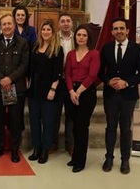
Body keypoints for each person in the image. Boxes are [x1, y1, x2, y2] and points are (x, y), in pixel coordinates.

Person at [99, 17, 140, 174]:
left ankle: (125, 160)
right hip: (110, 95)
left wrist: (126, 82)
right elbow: (100, 72)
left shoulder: (137, 49)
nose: (119, 31)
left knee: (126, 128)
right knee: (111, 127)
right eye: (115, 28)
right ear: (112, 31)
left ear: (127, 30)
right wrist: (108, 81)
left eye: (122, 28)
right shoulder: (106, 48)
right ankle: (109, 158)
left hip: (128, 95)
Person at [0, 14, 29, 163]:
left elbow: (24, 65)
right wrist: (2, 79)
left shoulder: (23, 43)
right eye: (4, 24)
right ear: (1, 26)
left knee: (15, 121)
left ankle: (14, 150)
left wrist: (10, 79)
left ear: (14, 25)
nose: (7, 27)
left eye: (9, 24)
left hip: (16, 87)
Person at [27, 20, 64, 164]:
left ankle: (45, 150)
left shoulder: (57, 49)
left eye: (49, 30)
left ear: (53, 32)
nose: (46, 32)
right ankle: (36, 148)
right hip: (34, 89)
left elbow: (58, 71)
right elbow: (30, 67)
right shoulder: (35, 46)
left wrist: (53, 88)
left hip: (49, 90)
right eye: (43, 30)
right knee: (34, 120)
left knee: (48, 122)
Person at [65, 25, 100, 173]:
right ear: (75, 37)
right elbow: (67, 74)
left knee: (82, 127)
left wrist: (78, 92)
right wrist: (71, 91)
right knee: (74, 126)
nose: (81, 37)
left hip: (86, 93)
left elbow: (92, 75)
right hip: (71, 92)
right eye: (78, 35)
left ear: (88, 38)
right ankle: (74, 157)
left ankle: (81, 161)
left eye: (84, 35)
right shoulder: (71, 54)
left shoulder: (94, 54)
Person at [54, 13, 75, 155]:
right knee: (54, 114)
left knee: (71, 114)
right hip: (56, 80)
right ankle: (52, 143)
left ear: (72, 23)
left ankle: (70, 144)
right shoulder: (53, 37)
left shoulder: (79, 37)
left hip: (73, 81)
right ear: (59, 24)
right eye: (63, 21)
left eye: (68, 21)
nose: (66, 23)